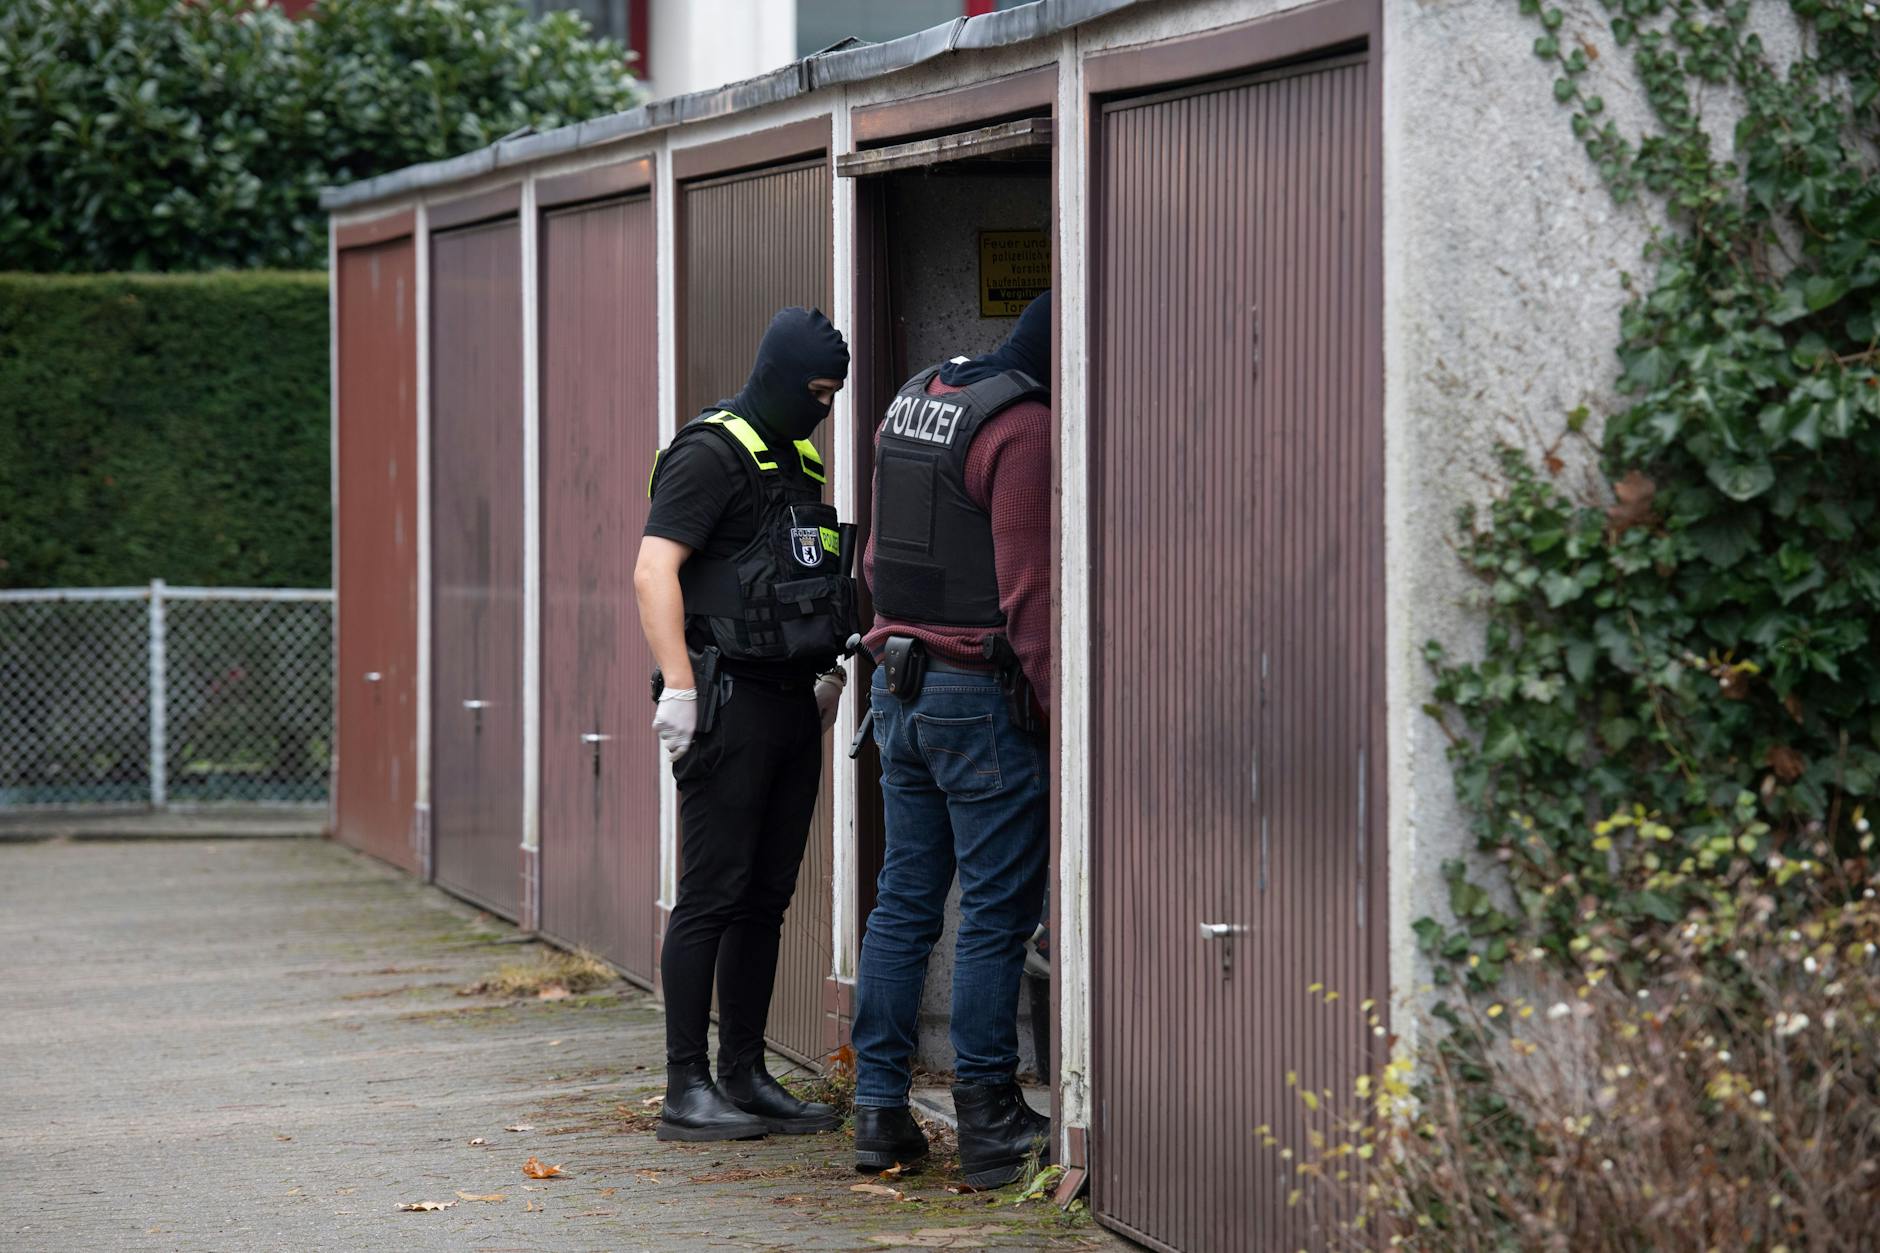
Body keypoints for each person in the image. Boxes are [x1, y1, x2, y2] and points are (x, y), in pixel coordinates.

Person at [634, 306, 857, 1142]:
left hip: (792, 697)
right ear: (776, 377)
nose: (822, 407)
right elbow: (654, 568)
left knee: (766, 898)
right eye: (813, 390)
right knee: (712, 896)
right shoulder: (708, 452)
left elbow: (815, 572)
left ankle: (744, 1073)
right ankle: (684, 1088)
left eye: (832, 394)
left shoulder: (796, 457)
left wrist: (828, 670)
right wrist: (681, 689)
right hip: (726, 699)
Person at [850, 291, 1054, 1188]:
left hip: (897, 681)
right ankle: (989, 1121)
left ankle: (880, 1113)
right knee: (996, 914)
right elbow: (1030, 592)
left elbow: (874, 557)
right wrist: (1063, 716)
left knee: (903, 902)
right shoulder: (1024, 427)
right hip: (978, 695)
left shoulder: (919, 394)